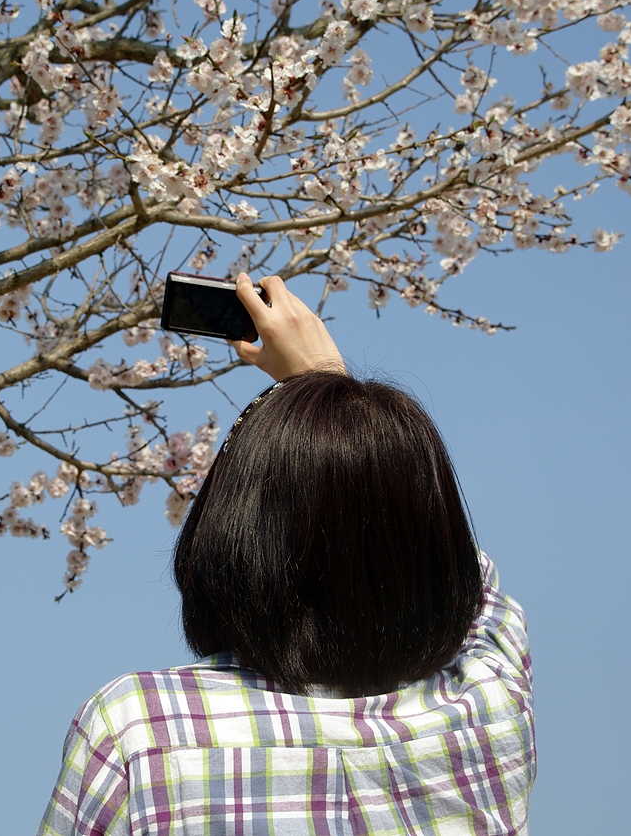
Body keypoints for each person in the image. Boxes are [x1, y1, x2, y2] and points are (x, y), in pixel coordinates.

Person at [37, 273, 534, 836]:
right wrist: (329, 387)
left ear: (231, 534)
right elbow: (458, 575)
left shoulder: (140, 731)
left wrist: (317, 392)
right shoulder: (482, 714)